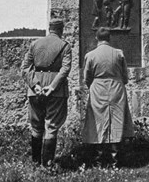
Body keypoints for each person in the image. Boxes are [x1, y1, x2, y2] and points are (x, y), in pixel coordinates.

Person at [21, 19, 72, 166]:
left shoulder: (35, 44)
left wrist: (35, 85)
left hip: (35, 91)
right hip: (56, 92)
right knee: (52, 127)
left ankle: (35, 163)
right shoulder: (64, 46)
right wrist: (53, 86)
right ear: (61, 29)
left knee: (36, 127)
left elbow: (25, 68)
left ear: (49, 29)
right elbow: (65, 69)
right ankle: (47, 164)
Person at [82, 27, 134, 166]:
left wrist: (93, 86)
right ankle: (115, 160)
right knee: (116, 120)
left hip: (98, 89)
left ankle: (98, 160)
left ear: (96, 38)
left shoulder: (90, 55)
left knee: (97, 122)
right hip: (117, 88)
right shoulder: (118, 54)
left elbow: (87, 77)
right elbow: (125, 76)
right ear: (109, 38)